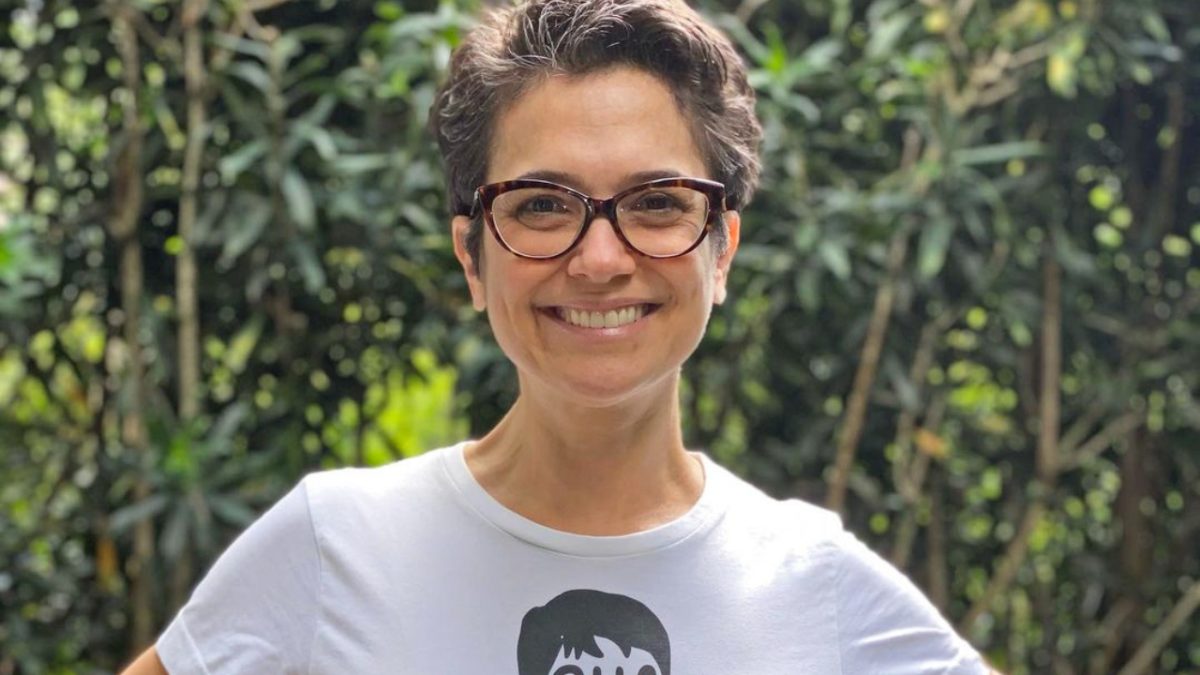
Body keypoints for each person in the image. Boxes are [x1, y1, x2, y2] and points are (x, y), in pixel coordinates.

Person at [122, 0, 993, 672]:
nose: (601, 259)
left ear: (722, 250)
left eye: (657, 202)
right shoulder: (334, 547)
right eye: (542, 204)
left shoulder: (815, 582)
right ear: (472, 257)